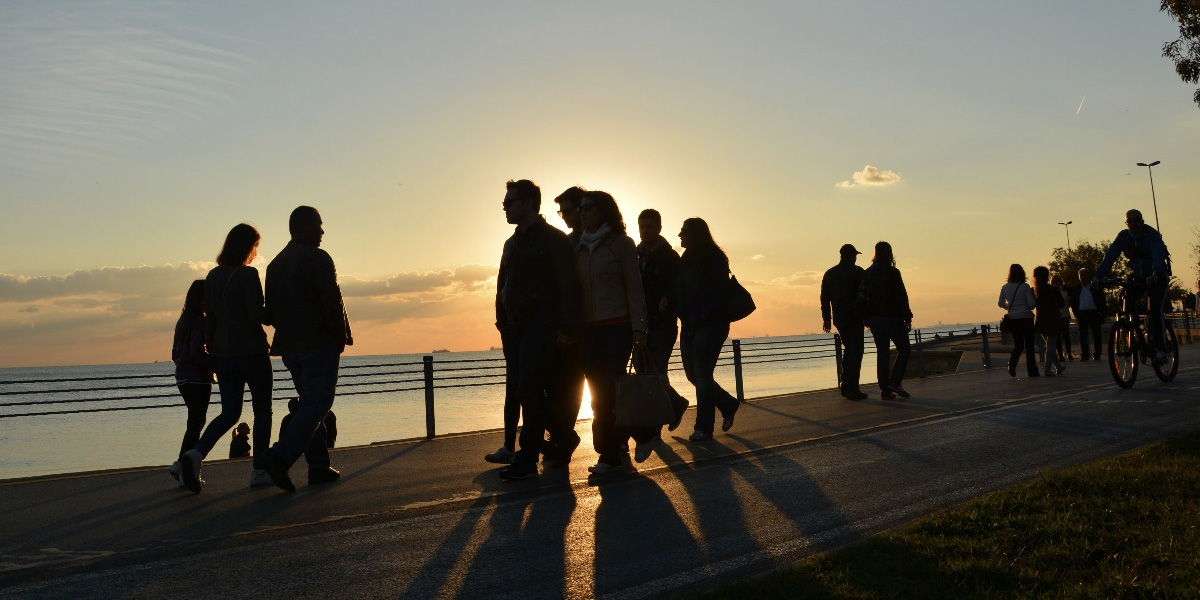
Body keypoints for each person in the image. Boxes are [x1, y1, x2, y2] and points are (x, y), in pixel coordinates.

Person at [258, 206, 353, 492]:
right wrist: (340, 337)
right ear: (305, 226)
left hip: (290, 347)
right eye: (319, 225)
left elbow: (270, 314)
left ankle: (318, 466)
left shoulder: (274, 265)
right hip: (318, 343)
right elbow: (331, 302)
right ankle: (280, 455)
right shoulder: (318, 258)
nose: (323, 232)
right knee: (317, 404)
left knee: (310, 403)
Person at [494, 180, 580, 480]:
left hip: (540, 323)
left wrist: (567, 327)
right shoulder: (512, 242)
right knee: (522, 388)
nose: (505, 206)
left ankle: (527, 457)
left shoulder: (553, 240)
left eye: (510, 201)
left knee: (529, 387)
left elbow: (567, 286)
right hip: (513, 327)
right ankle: (563, 436)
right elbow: (502, 285)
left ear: (529, 203)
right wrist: (501, 321)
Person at [179, 224, 274, 493]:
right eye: (256, 246)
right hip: (252, 352)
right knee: (262, 411)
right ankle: (258, 470)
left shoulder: (212, 276)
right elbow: (257, 314)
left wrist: (215, 350)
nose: (256, 252)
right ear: (249, 247)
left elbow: (210, 322)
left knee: (230, 412)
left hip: (224, 355)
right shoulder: (248, 275)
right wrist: (276, 312)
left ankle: (195, 454)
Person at [575, 190, 651, 472]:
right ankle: (628, 440)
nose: (582, 212)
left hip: (617, 327)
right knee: (598, 393)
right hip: (588, 330)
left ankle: (610, 454)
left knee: (610, 388)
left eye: (588, 207)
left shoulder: (621, 244)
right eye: (580, 208)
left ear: (604, 210)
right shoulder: (579, 248)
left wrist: (639, 328)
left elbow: (635, 288)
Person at [676, 217, 740, 441]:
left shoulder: (713, 257)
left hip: (710, 325)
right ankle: (728, 403)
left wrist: (702, 315)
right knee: (693, 375)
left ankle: (703, 427)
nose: (680, 235)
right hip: (689, 325)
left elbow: (721, 292)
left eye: (684, 231)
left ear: (695, 233)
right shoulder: (685, 258)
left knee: (702, 374)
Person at [539, 185, 588, 468]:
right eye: (561, 211)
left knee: (576, 385)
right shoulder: (567, 242)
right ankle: (561, 438)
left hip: (586, 326)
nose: (564, 216)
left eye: (568, 210)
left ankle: (566, 440)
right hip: (563, 326)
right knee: (561, 386)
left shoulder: (592, 242)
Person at [1095, 209, 1172, 364]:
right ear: (1126, 223)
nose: (1133, 224)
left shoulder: (1152, 234)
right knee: (1125, 298)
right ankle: (1132, 327)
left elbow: (1158, 253)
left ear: (1142, 221)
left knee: (1155, 310)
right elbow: (1111, 255)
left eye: (1136, 220)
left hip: (1156, 274)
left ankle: (1160, 349)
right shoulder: (1123, 236)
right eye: (1129, 221)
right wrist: (1098, 276)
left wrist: (1156, 272)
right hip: (1137, 274)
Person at [635, 208, 686, 433]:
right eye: (642, 226)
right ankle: (675, 403)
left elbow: (679, 285)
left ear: (659, 228)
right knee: (642, 373)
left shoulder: (669, 256)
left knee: (656, 372)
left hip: (663, 325)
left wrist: (668, 296)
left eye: (650, 227)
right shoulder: (635, 255)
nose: (645, 231)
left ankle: (654, 426)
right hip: (640, 325)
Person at [168, 279, 213, 486]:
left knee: (194, 423)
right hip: (198, 379)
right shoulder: (201, 321)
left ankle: (182, 466)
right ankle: (184, 468)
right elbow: (197, 350)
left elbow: (175, 352)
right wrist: (213, 365)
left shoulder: (182, 321)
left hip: (183, 377)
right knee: (196, 424)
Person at [861, 241, 913, 400]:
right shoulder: (893, 273)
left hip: (875, 320)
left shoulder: (867, 273)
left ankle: (885, 390)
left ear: (875, 253)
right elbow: (901, 296)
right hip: (892, 318)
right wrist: (907, 316)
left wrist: (865, 318)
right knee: (904, 349)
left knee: (882, 353)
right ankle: (895, 381)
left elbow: (862, 297)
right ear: (890, 254)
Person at [820, 244, 867, 400]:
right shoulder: (858, 272)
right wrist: (866, 316)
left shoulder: (830, 274)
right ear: (851, 255)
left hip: (839, 318)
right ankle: (852, 388)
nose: (856, 258)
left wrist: (827, 318)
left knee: (849, 350)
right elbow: (864, 295)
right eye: (855, 255)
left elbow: (824, 298)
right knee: (856, 351)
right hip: (854, 317)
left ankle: (845, 385)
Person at [999, 263, 1038, 378]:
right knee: (1030, 345)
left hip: (1014, 318)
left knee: (1019, 344)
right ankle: (1032, 371)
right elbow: (1031, 305)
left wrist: (1010, 307)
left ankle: (1012, 364)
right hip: (1026, 317)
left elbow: (1001, 303)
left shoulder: (1005, 287)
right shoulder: (1025, 287)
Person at [1033, 266, 1066, 376]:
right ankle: (1047, 369)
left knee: (1050, 345)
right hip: (1053, 320)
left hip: (1040, 321)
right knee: (1051, 346)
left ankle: (1058, 366)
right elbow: (1062, 304)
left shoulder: (1034, 290)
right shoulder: (1054, 289)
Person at [1068, 267, 1106, 361]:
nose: (1083, 277)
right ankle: (1085, 354)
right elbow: (1073, 302)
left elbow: (1102, 300)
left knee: (1096, 334)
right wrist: (1076, 313)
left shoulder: (1095, 288)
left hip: (1094, 313)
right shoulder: (1076, 289)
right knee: (1083, 335)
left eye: (1085, 275)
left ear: (1089, 276)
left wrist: (1101, 312)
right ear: (1079, 277)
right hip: (1082, 314)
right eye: (1081, 275)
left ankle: (1097, 354)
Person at [1052, 274, 1074, 361]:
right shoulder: (1052, 291)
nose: (1056, 283)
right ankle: (1060, 355)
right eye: (1054, 281)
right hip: (1056, 316)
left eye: (1058, 281)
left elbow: (1069, 302)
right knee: (1057, 337)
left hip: (1064, 315)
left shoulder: (1066, 291)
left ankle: (1068, 353)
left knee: (1066, 335)